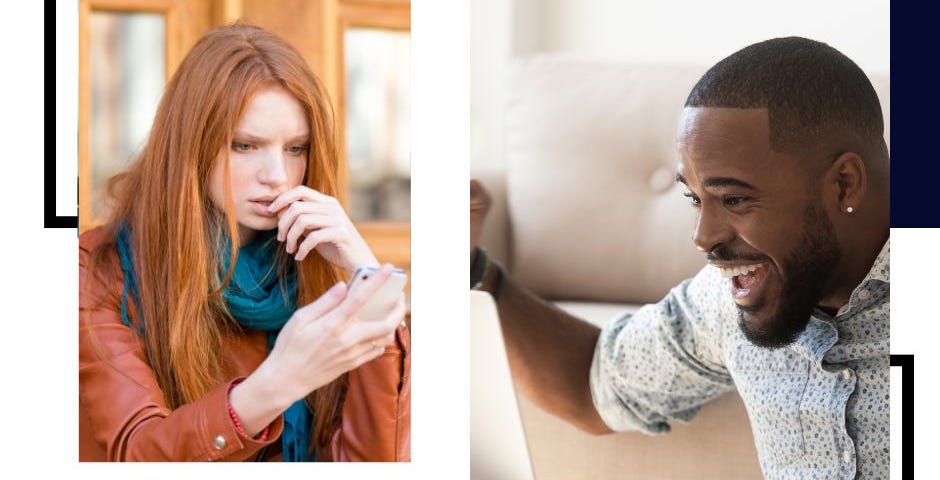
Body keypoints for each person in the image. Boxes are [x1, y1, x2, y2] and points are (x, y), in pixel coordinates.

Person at [471, 37, 889, 479]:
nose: (702, 238)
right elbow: (594, 383)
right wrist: (478, 271)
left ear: (844, 184)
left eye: (734, 199)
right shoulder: (729, 297)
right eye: (695, 198)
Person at [79, 23, 410, 462]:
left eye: (296, 148)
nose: (276, 175)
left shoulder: (317, 264)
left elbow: (373, 460)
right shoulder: (96, 270)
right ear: (192, 146)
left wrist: (367, 280)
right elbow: (139, 455)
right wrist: (277, 383)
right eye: (245, 145)